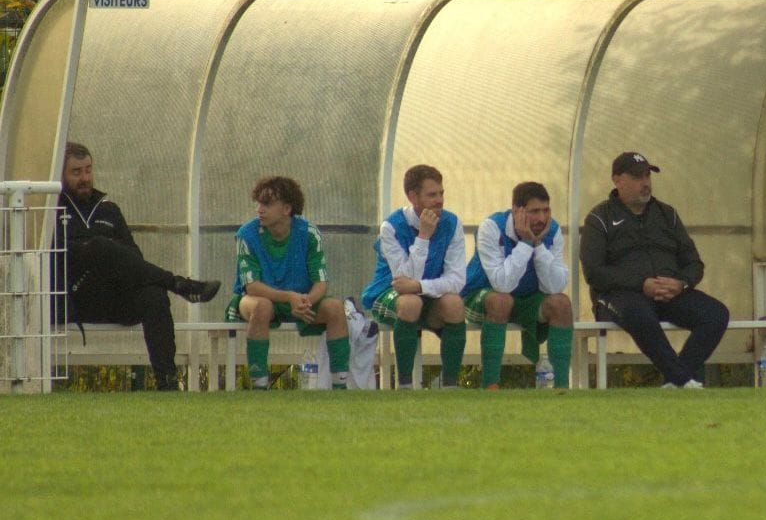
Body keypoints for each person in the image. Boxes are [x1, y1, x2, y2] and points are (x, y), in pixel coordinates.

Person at [57, 141, 221, 391]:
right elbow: (63, 257)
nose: (85, 178)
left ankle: (167, 382)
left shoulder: (109, 210)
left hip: (113, 296)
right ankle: (180, 284)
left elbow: (134, 256)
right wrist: (100, 250)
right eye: (76, 172)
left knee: (153, 294)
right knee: (99, 246)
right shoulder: (50, 211)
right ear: (61, 174)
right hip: (76, 300)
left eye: (88, 170)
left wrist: (113, 259)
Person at [580, 152, 730, 388]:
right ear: (617, 180)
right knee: (639, 314)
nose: (646, 182)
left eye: (648, 175)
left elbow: (694, 263)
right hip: (618, 296)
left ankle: (676, 381)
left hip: (669, 294)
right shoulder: (599, 218)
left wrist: (681, 283)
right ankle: (683, 380)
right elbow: (594, 272)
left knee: (716, 314)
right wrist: (642, 283)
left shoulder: (667, 214)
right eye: (638, 176)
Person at [225, 176, 350, 390]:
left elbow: (321, 282)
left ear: (286, 208)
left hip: (300, 301)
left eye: (267, 204)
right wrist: (290, 297)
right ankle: (259, 385)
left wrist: (305, 302)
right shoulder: (247, 234)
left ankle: (340, 386)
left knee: (335, 308)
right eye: (258, 203)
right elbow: (251, 286)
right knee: (262, 306)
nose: (259, 210)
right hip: (259, 300)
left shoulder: (309, 233)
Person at [361, 164, 467, 389]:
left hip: (426, 293)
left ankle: (450, 386)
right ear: (412, 196)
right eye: (431, 195)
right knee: (410, 303)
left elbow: (456, 280)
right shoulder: (391, 226)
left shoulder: (452, 223)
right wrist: (424, 236)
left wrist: (419, 286)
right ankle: (405, 386)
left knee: (455, 304)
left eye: (441, 193)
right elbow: (403, 282)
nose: (439, 200)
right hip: (387, 294)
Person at [463, 182, 573, 389]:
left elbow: (554, 287)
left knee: (561, 304)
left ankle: (562, 388)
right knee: (501, 300)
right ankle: (490, 386)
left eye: (546, 210)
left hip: (525, 299)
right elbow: (502, 284)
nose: (542, 218)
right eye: (534, 212)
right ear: (516, 210)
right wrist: (525, 243)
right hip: (480, 296)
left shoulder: (553, 230)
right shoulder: (491, 227)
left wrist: (538, 244)